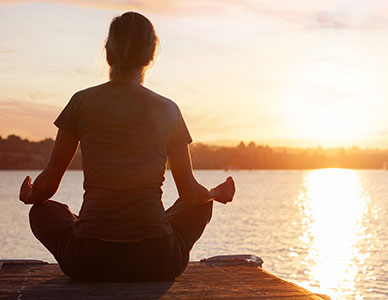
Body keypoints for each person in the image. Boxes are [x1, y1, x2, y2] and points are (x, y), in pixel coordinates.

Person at [19, 11, 235, 282]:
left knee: (43, 212)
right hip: (156, 260)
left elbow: (46, 188)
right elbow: (191, 194)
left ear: (108, 53)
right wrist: (215, 193)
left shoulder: (81, 103)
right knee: (201, 204)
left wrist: (31, 194)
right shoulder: (167, 109)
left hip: (88, 260)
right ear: (150, 56)